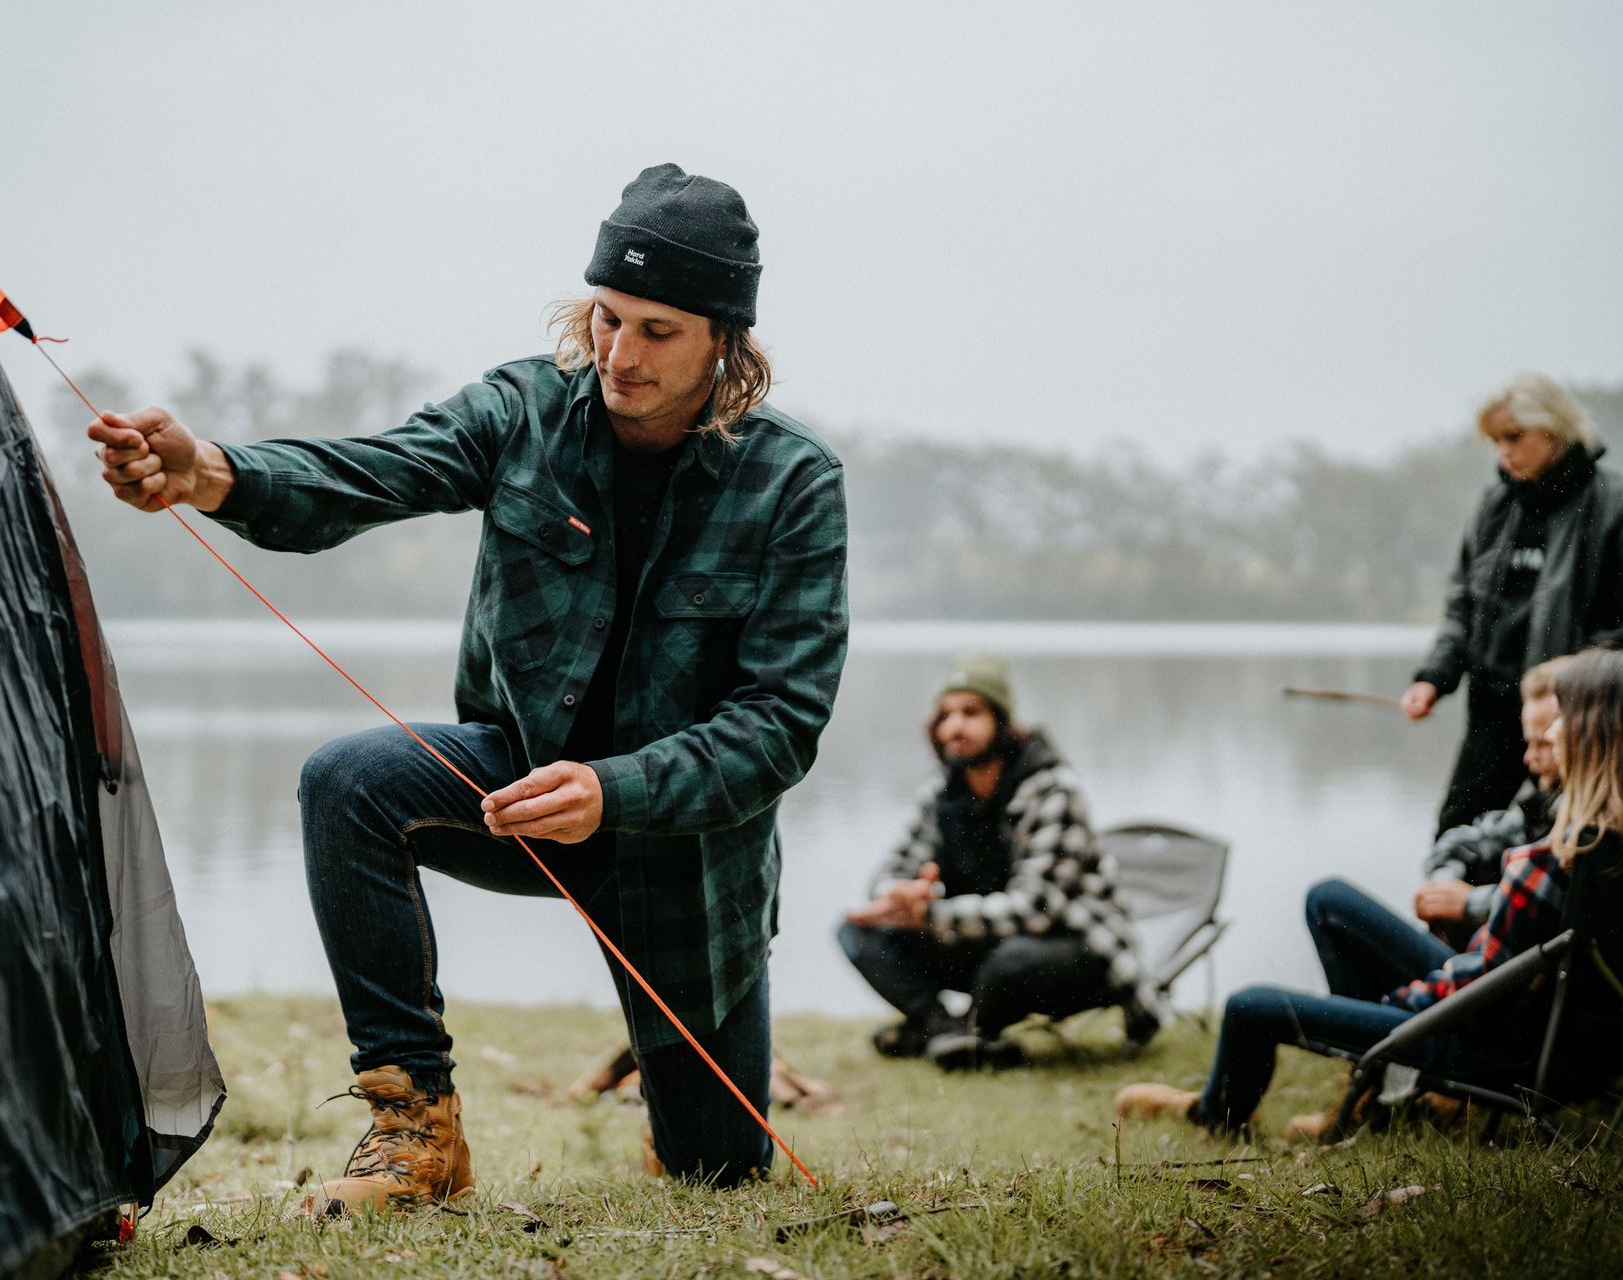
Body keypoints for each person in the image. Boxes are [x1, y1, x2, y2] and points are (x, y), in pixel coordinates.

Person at [88, 164, 849, 1206]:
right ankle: (418, 1129)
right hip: (516, 791)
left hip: (688, 854)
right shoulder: (521, 410)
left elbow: (780, 726)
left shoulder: (795, 482)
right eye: (608, 317)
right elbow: (376, 469)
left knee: (716, 1174)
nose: (620, 355)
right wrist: (212, 473)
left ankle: (677, 1111)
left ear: (725, 338)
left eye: (658, 331)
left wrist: (614, 789)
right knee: (348, 781)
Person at [1116, 646, 1623, 1139]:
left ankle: (1216, 1115)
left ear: (1590, 734)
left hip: (1490, 1050)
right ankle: (1368, 1090)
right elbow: (1503, 972)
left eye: (1561, 719)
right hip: (1556, 1047)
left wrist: (1397, 1002)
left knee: (1248, 1008)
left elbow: (1481, 996)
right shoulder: (1603, 844)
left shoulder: (1548, 863)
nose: (1547, 735)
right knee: (1330, 901)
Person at [837, 655, 1148, 1072]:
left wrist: (929, 914)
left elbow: (1034, 911)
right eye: (945, 715)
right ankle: (946, 1030)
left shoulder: (1052, 791)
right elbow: (895, 867)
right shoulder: (941, 791)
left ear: (1002, 720)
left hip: (1075, 948)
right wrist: (897, 895)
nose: (954, 727)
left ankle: (964, 1031)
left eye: (971, 712)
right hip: (984, 938)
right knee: (857, 931)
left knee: (1009, 963)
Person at [1401, 374, 1623, 834]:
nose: (1505, 452)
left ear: (1554, 428)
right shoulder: (1494, 507)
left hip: (1576, 716)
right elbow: (1462, 605)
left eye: (1514, 436)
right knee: (1457, 831)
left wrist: (1574, 680)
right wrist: (1433, 677)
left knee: (1574, 836)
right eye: (1497, 441)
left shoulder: (1612, 505)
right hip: (1495, 709)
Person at [1414, 656, 1564, 948]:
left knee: (1328, 899)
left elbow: (1553, 905)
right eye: (1529, 743)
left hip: (1505, 967)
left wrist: (1469, 903)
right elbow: (1461, 841)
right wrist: (1442, 889)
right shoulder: (1543, 804)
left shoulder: (1583, 819)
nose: (1529, 758)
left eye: (1545, 743)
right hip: (1488, 958)